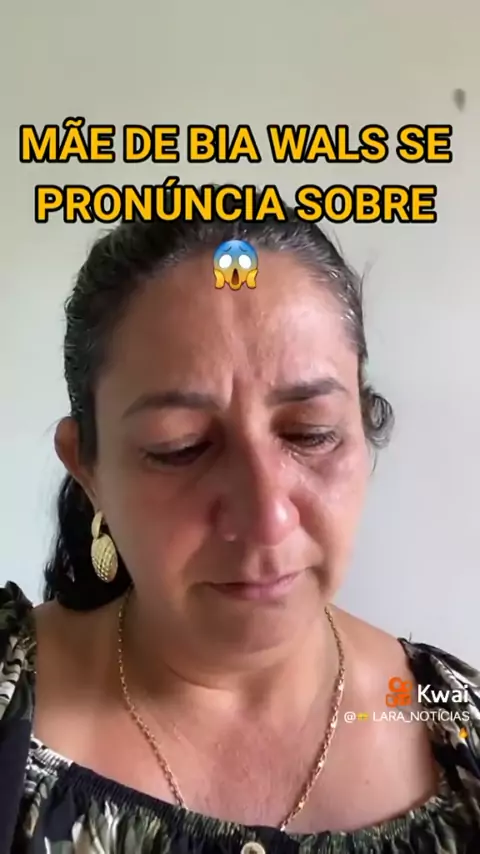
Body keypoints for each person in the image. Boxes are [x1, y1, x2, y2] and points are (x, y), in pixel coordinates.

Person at [1, 194, 480, 854]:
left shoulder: (455, 727)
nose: (266, 516)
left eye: (310, 433)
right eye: (180, 447)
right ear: (87, 467)